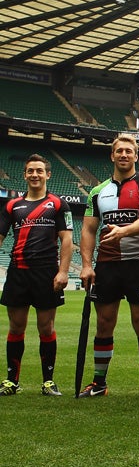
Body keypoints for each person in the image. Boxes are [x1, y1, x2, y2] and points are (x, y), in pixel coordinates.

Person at [78, 134, 139, 399]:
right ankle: (99, 383)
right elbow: (89, 230)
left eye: (129, 151)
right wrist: (86, 265)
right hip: (107, 266)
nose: (124, 155)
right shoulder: (97, 191)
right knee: (104, 323)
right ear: (112, 156)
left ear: (136, 156)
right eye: (119, 151)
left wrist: (122, 232)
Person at [0, 154, 72, 397]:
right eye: (30, 171)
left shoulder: (59, 204)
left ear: (48, 175)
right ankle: (12, 381)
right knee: (16, 326)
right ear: (25, 174)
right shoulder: (11, 206)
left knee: (46, 327)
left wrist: (63, 272)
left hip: (46, 273)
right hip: (18, 272)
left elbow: (67, 239)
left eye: (39, 171)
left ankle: (48, 381)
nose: (35, 175)